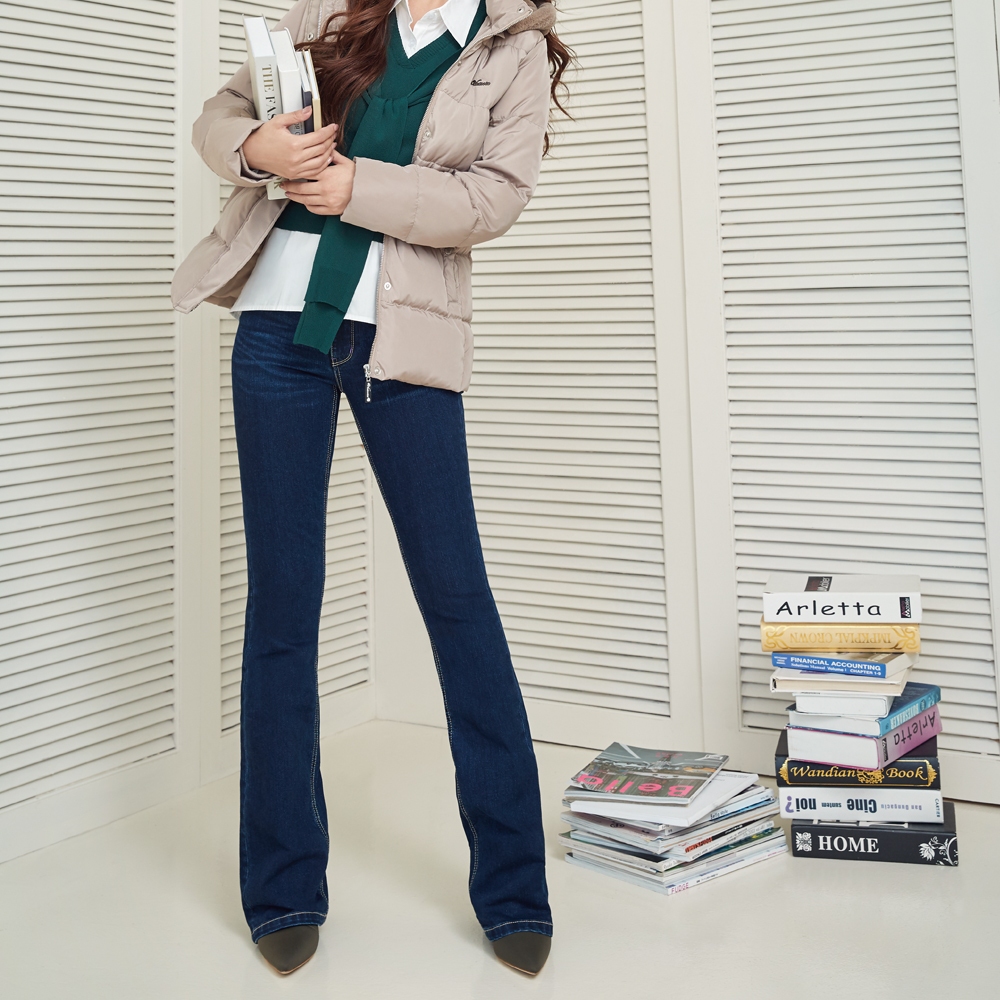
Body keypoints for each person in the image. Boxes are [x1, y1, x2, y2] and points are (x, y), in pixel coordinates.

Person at [172, 0, 572, 979]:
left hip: (404, 340)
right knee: (282, 605)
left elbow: (492, 199)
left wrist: (357, 185)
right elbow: (221, 116)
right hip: (276, 335)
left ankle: (513, 890)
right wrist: (256, 149)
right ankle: (281, 887)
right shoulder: (332, 8)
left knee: (457, 599)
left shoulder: (511, 47)